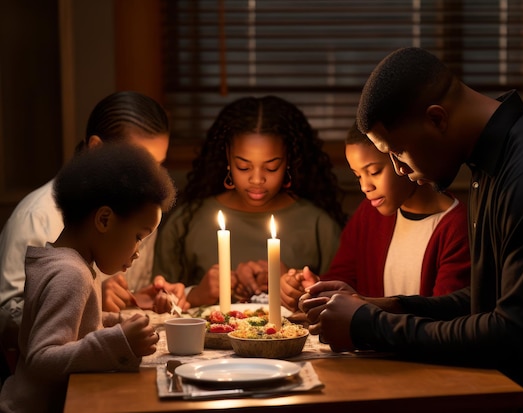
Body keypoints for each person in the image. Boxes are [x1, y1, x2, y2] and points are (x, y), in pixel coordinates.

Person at [299, 47, 523, 412]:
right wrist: (385, 305)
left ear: (437, 118)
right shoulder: (493, 163)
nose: (399, 169)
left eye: (398, 151)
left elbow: (514, 334)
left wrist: (369, 324)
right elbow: (488, 299)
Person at [0, 91, 188, 380]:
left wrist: (135, 299)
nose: (151, 178)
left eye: (158, 165)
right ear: (97, 149)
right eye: (139, 164)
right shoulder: (37, 219)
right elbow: (20, 327)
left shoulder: (136, 210)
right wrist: (91, 301)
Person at [0, 143, 176, 413]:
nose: (138, 251)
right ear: (104, 219)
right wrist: (118, 341)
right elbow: (42, 358)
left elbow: (71, 323)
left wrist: (114, 321)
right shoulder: (70, 274)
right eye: (138, 236)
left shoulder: (66, 261)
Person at [154, 95, 346, 307]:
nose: (256, 179)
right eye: (243, 167)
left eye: (271, 167)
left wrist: (299, 289)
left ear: (289, 160)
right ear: (228, 156)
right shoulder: (187, 222)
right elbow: (156, 301)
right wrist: (195, 296)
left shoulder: (319, 225)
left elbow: (345, 301)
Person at [280, 122, 470, 312]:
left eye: (374, 172)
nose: (365, 187)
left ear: (403, 158)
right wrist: (316, 286)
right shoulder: (369, 214)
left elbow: (445, 313)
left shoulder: (456, 226)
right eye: (358, 176)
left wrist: (364, 311)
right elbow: (344, 277)